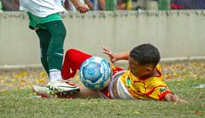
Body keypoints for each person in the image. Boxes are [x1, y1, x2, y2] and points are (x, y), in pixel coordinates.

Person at [34, 43, 183, 102]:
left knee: (71, 93)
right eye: (129, 64)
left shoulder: (155, 85)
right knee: (71, 54)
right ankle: (63, 78)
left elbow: (169, 96)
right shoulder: (146, 62)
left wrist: (178, 100)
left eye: (133, 67)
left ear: (148, 70)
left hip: (107, 92)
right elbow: (132, 53)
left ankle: (49, 90)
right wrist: (118, 56)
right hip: (111, 73)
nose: (130, 68)